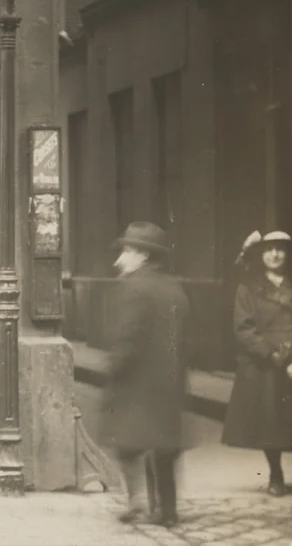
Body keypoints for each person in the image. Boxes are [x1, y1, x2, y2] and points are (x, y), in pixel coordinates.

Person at [102, 222, 189, 528]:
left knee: (127, 444)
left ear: (141, 255)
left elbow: (128, 338)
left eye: (126, 251)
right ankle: (167, 510)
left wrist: (113, 369)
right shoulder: (175, 288)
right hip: (169, 384)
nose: (119, 260)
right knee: (163, 448)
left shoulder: (134, 288)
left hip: (137, 385)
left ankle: (136, 501)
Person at [222, 230, 292, 497]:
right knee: (270, 422)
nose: (274, 254)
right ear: (261, 255)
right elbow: (243, 329)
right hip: (266, 365)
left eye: (280, 249)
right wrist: (272, 356)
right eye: (268, 249)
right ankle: (275, 474)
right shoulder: (248, 288)